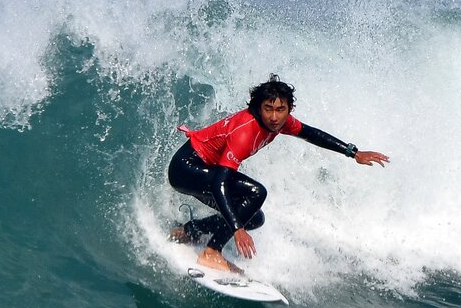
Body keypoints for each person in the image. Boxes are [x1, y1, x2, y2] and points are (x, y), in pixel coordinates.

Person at [167, 75, 390, 274]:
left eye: (280, 109)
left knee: (253, 217)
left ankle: (189, 231)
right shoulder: (246, 131)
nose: (274, 117)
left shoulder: (279, 122)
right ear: (258, 107)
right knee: (256, 193)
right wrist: (236, 229)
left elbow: (311, 134)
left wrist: (353, 152)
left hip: (203, 170)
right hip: (186, 168)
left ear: (289, 109)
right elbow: (219, 184)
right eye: (268, 109)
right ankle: (211, 252)